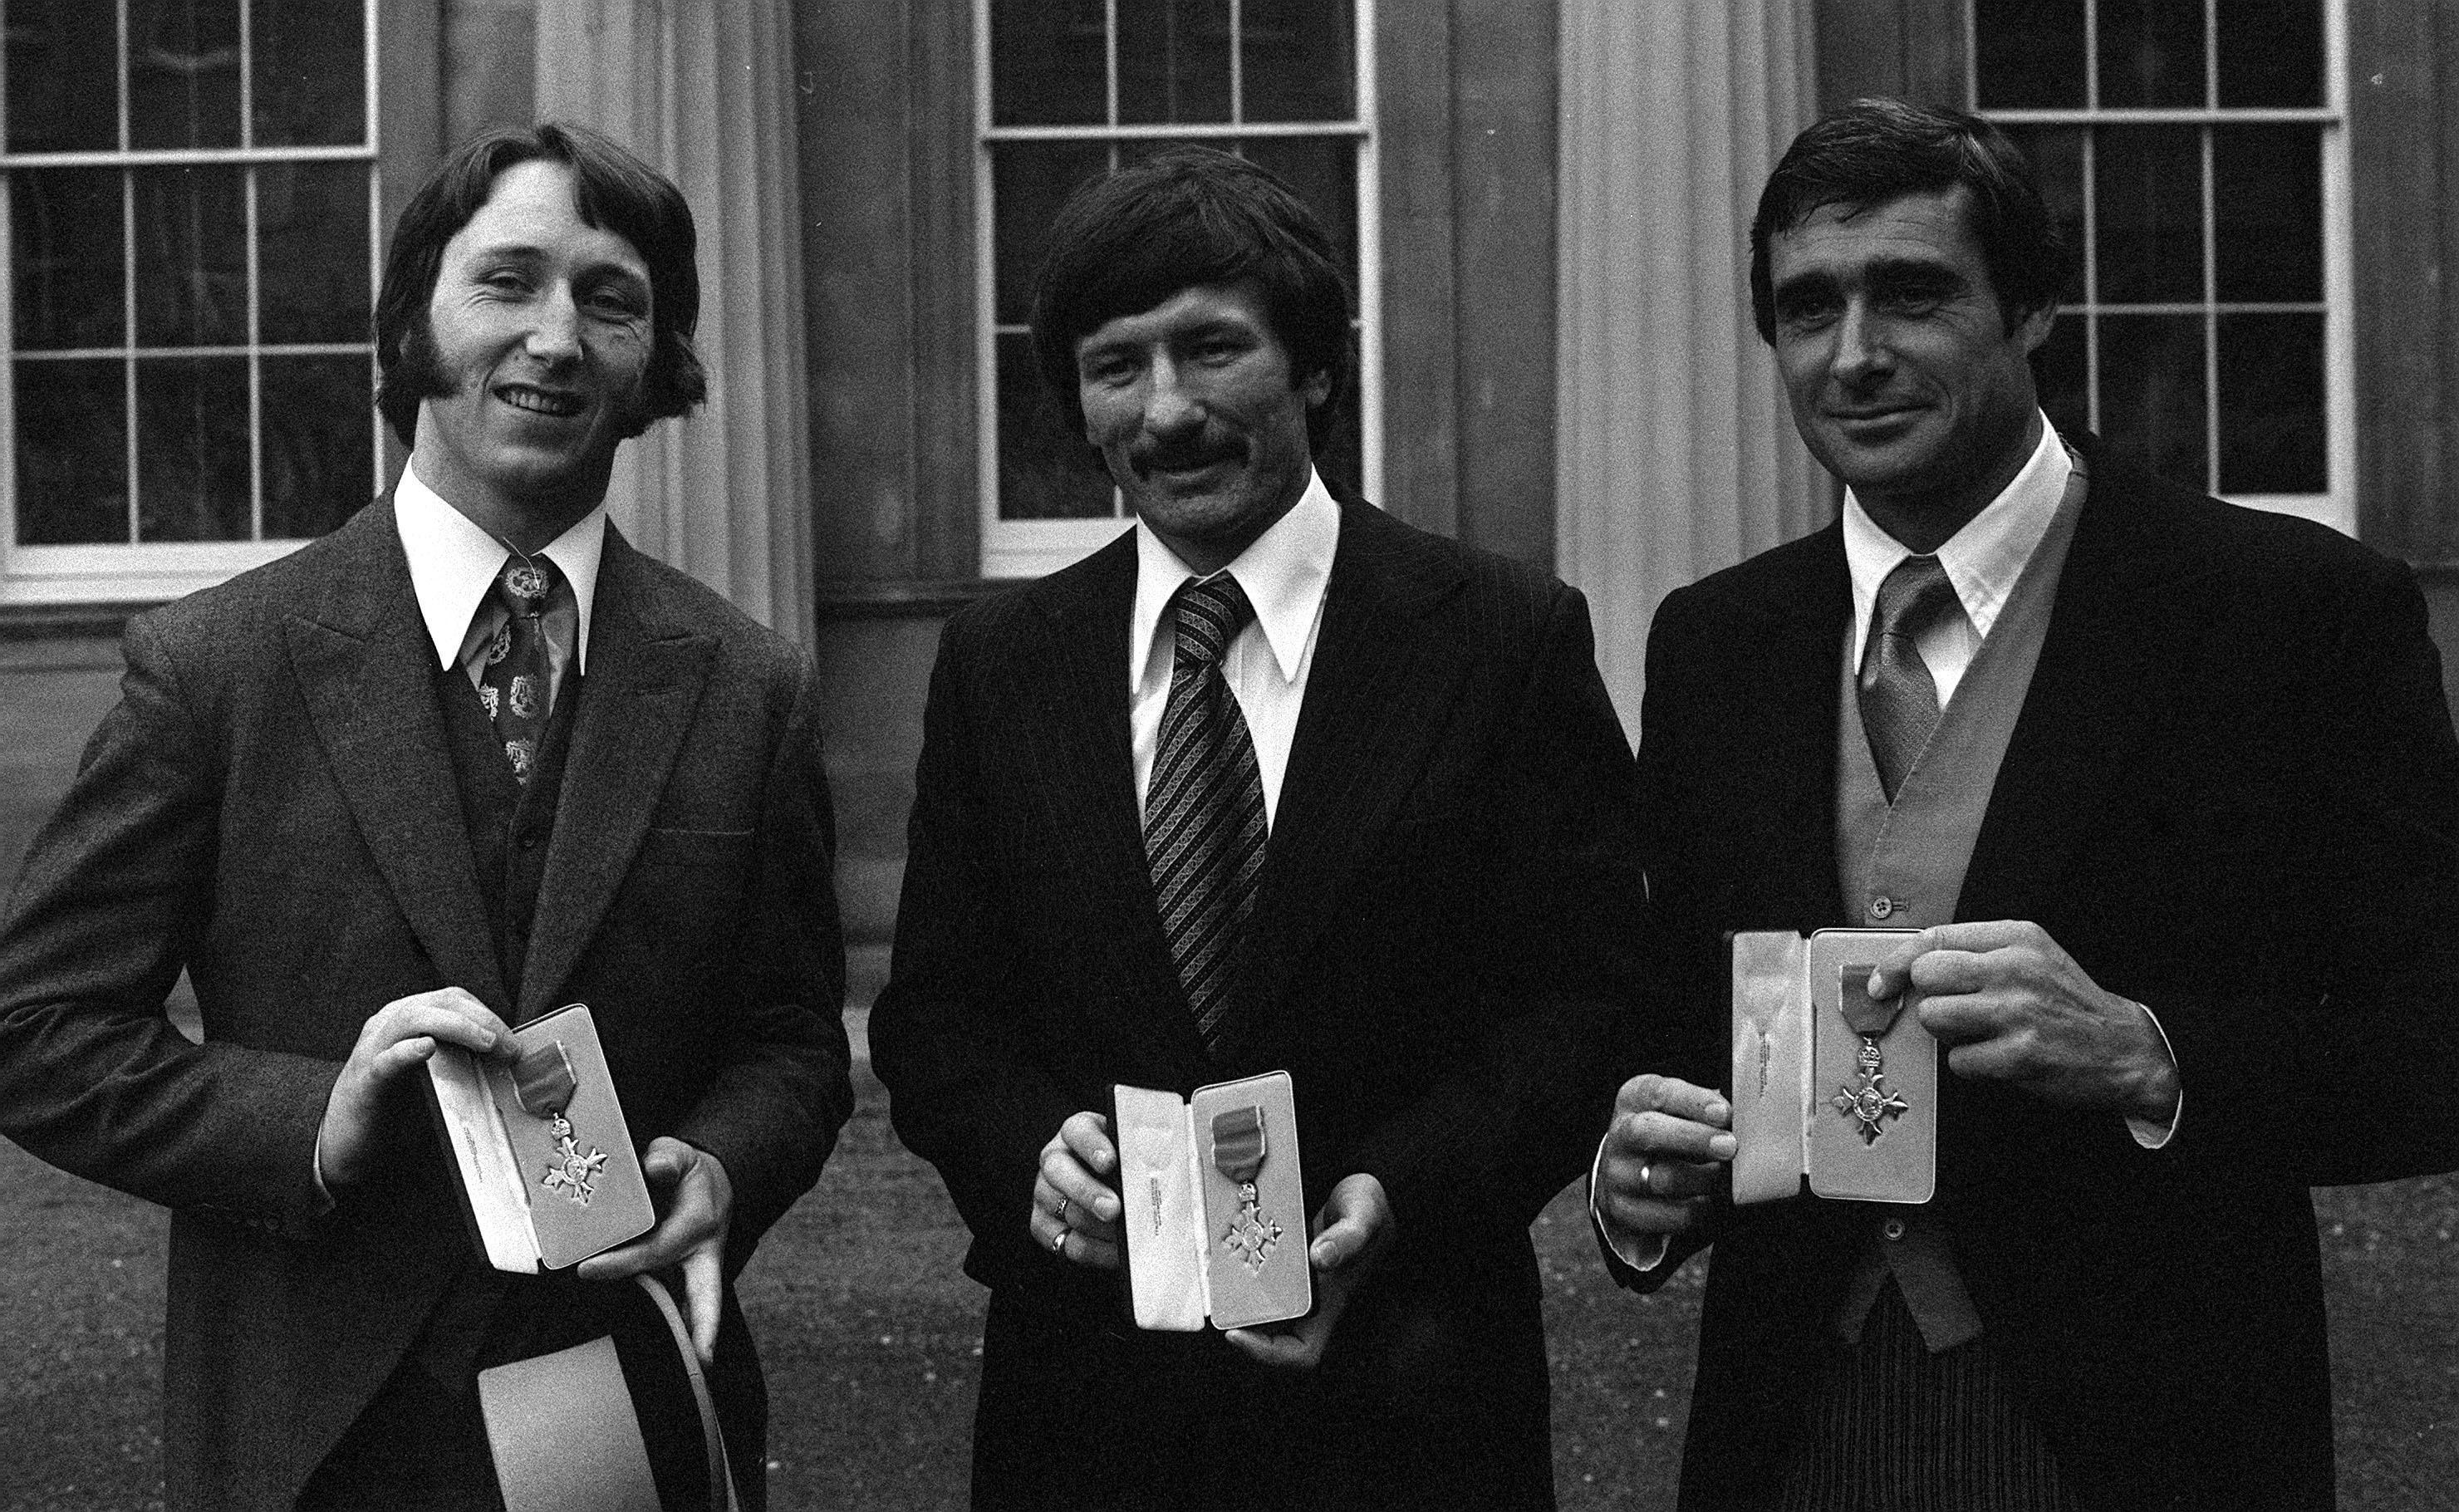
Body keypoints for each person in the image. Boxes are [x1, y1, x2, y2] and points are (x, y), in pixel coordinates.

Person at [1590, 96, 2459, 1510]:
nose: (1856, 354)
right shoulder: (1717, 641)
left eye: (1914, 295)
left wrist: (2150, 1055)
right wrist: (1637, 1185)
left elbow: (2430, 1039)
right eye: (1810, 310)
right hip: (1792, 1431)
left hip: (2147, 1431)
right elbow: (1678, 1026)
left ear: (2034, 305)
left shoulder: (2289, 616)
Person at [0, 122, 849, 1510]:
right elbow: (35, 1029)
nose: (557, 338)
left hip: (612, 1394)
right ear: (412, 325)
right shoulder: (220, 664)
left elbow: (792, 1042)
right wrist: (313, 1121)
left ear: (656, 364)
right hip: (317, 1422)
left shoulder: (745, 686)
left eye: (611, 298)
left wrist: (725, 1164)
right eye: (506, 282)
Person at [869, 146, 1647, 1510]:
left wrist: (1395, 1196)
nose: (1167, 411)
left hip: (1410, 1390)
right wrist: (1028, 1153)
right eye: (1118, 367)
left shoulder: (1501, 636)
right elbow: (936, 1019)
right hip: (1086, 1409)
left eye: (1211, 349)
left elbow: (1581, 998)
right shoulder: (1001, 664)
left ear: (1317, 370)